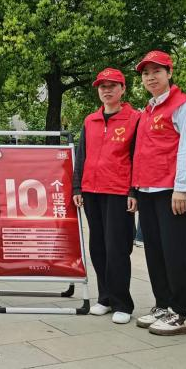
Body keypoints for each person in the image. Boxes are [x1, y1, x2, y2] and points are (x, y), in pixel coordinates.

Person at [132, 50, 186, 336]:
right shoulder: (148, 110)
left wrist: (182, 189)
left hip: (172, 192)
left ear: (169, 73)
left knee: (175, 253)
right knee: (155, 252)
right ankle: (163, 305)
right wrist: (136, 189)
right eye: (146, 73)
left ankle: (180, 313)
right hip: (147, 190)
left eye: (157, 71)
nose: (150, 77)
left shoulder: (184, 106)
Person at [72, 68, 140, 324]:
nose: (107, 90)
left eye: (112, 86)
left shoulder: (135, 119)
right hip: (92, 191)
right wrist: (77, 188)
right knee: (98, 247)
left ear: (123, 89)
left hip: (118, 192)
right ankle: (105, 298)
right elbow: (82, 155)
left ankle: (123, 303)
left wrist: (133, 190)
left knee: (117, 248)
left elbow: (137, 157)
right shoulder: (91, 120)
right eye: (102, 86)